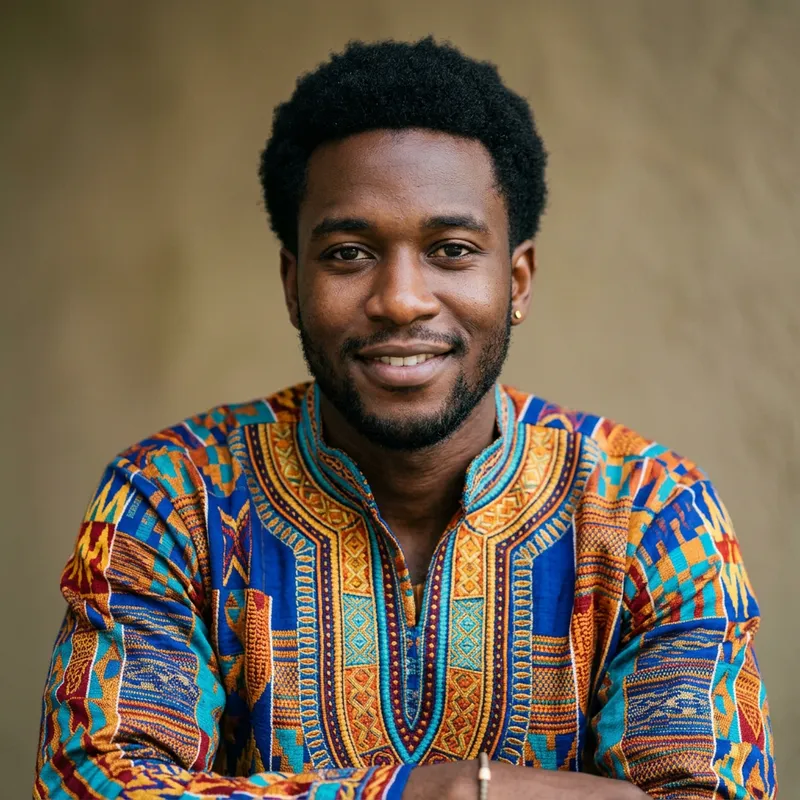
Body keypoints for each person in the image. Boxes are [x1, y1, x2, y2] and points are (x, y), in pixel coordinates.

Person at [34, 37, 776, 800]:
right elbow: (93, 783)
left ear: (516, 280)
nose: (400, 298)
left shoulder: (654, 512)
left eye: (451, 249)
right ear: (293, 285)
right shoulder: (173, 498)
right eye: (350, 254)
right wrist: (432, 793)